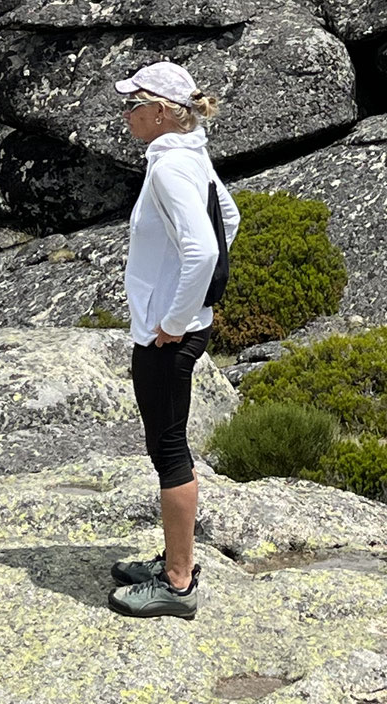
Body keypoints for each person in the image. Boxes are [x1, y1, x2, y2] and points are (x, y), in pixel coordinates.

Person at [106, 60, 241, 621]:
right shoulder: (187, 155)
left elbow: (205, 249)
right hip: (182, 324)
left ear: (161, 111)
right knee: (169, 444)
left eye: (132, 103)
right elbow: (227, 218)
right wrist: (197, 302)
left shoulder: (167, 168)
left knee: (168, 450)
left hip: (166, 335)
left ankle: (178, 583)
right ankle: (174, 560)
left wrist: (174, 320)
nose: (126, 115)